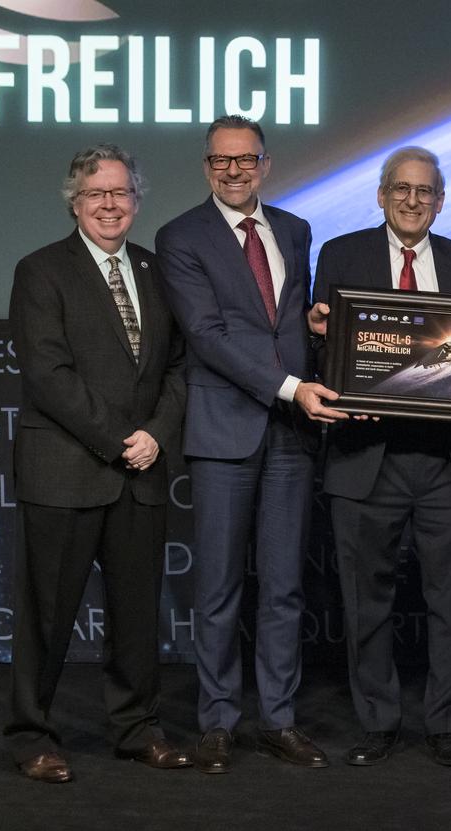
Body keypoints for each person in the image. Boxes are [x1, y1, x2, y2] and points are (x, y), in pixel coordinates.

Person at [308, 146, 451, 768]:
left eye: (425, 191)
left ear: (441, 201)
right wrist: (322, 335)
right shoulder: (339, 255)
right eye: (401, 188)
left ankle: (445, 724)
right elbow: (325, 351)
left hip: (450, 462)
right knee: (365, 600)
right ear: (381, 195)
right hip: (366, 457)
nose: (412, 199)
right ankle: (377, 721)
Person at [156, 115, 345, 774]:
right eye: (220, 161)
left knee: (286, 585)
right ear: (207, 166)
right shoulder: (180, 236)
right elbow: (208, 335)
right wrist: (293, 386)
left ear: (266, 163)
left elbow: (285, 319)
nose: (233, 171)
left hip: (291, 435)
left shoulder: (294, 229)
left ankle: (280, 719)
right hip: (224, 430)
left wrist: (318, 323)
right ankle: (217, 722)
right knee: (218, 586)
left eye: (245, 160)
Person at [5, 144, 190, 782]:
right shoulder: (41, 270)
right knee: (47, 615)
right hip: (66, 469)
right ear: (75, 202)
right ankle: (33, 736)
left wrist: (157, 435)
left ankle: (138, 728)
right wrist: (120, 439)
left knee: (138, 613)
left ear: (136, 201)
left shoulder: (157, 269)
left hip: (143, 470)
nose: (109, 205)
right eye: (95, 195)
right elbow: (48, 375)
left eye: (120, 193)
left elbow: (176, 367)